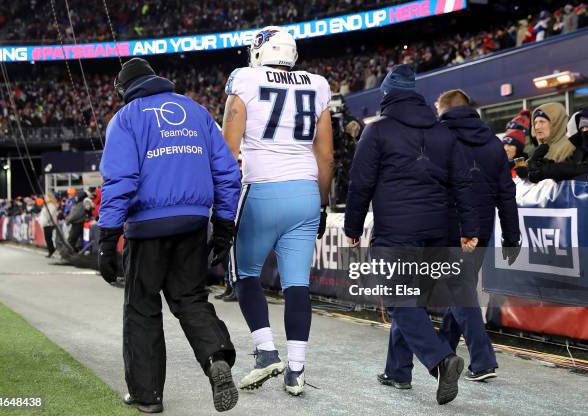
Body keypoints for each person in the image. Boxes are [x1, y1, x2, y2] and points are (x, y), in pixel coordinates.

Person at [98, 57, 241, 413]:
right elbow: (226, 172)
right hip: (193, 223)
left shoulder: (126, 118)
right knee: (191, 298)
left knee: (142, 308)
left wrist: (107, 236)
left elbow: (121, 180)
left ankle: (147, 396)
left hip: (147, 229)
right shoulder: (196, 111)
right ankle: (215, 360)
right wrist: (224, 225)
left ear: (124, 89)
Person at [344, 65, 478, 405]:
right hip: (437, 232)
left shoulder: (377, 132)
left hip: (396, 231)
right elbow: (463, 182)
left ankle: (441, 360)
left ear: (386, 94)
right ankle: (398, 371)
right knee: (412, 300)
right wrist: (469, 229)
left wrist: (353, 227)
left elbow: (360, 183)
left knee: (400, 301)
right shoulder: (442, 133)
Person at [222, 26, 333, 396]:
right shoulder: (317, 84)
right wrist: (320, 202)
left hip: (261, 190)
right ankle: (297, 371)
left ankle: (267, 351)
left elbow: (228, 149)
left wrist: (221, 207)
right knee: (297, 284)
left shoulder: (244, 79)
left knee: (244, 273)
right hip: (305, 191)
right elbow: (326, 155)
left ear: (259, 51)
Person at [436, 89, 521, 381]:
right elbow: (506, 194)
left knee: (459, 294)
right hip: (482, 230)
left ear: (445, 109)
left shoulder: (439, 137)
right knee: (461, 291)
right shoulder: (493, 142)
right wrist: (512, 237)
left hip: (449, 227)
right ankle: (443, 352)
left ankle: (483, 360)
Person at [528, 109, 588, 182]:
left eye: (542, 122)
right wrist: (540, 167)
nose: (537, 127)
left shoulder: (569, 146)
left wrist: (548, 170)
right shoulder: (581, 150)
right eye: (582, 128)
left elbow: (581, 169)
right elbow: (568, 166)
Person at [38, 192, 58, 258]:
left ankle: (51, 250)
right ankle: (51, 250)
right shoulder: (46, 205)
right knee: (47, 238)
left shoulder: (51, 205)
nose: (45, 198)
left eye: (46, 197)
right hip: (46, 224)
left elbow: (49, 215)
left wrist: (45, 221)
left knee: (48, 238)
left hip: (49, 224)